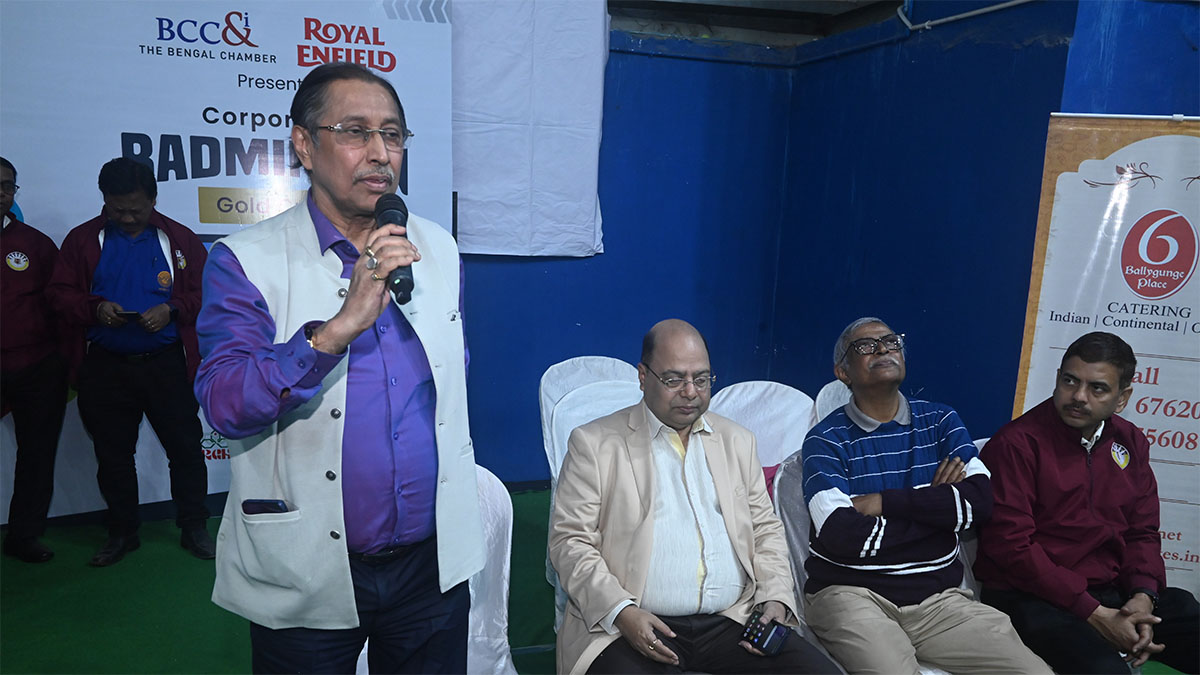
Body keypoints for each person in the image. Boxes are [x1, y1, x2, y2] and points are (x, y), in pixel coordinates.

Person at [193, 62, 484, 674]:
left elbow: (447, 383)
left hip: (429, 567)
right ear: (304, 144)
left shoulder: (437, 247)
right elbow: (224, 403)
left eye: (393, 134)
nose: (380, 153)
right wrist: (333, 332)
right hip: (308, 565)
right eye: (355, 132)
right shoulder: (244, 261)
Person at [550, 319, 838, 675]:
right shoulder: (594, 443)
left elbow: (765, 529)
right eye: (674, 379)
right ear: (643, 376)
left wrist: (776, 596)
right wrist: (622, 611)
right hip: (629, 625)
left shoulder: (736, 440)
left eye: (701, 379)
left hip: (731, 620)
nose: (690, 391)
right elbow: (570, 542)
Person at [779, 317, 1049, 674]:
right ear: (842, 373)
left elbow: (981, 503)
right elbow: (840, 535)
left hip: (940, 601)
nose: (882, 349)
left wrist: (884, 502)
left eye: (891, 341)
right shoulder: (825, 440)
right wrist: (937, 508)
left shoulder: (941, 423)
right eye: (865, 346)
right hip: (852, 596)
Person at [975, 331, 1199, 674]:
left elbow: (1142, 531)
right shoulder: (1016, 444)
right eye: (1069, 381)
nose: (1078, 397)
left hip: (1109, 592)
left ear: (1122, 398)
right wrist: (1092, 613)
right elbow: (1012, 548)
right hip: (1031, 597)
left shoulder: (1130, 441)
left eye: (1097, 388)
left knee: (1184, 611)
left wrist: (1142, 597)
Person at [47, 157, 212, 567]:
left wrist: (172, 309)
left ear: (153, 199)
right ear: (104, 200)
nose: (126, 216)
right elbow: (57, 295)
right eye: (116, 208)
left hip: (167, 364)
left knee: (187, 451)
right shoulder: (82, 240)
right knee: (113, 456)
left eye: (136, 208)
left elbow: (208, 294)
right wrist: (95, 308)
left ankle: (194, 527)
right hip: (105, 367)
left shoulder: (180, 240)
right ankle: (122, 533)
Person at [1, 157, 67, 563]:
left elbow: (59, 304)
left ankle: (25, 535)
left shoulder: (36, 245)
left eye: (8, 185)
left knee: (37, 455)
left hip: (35, 367)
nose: (1, 193)